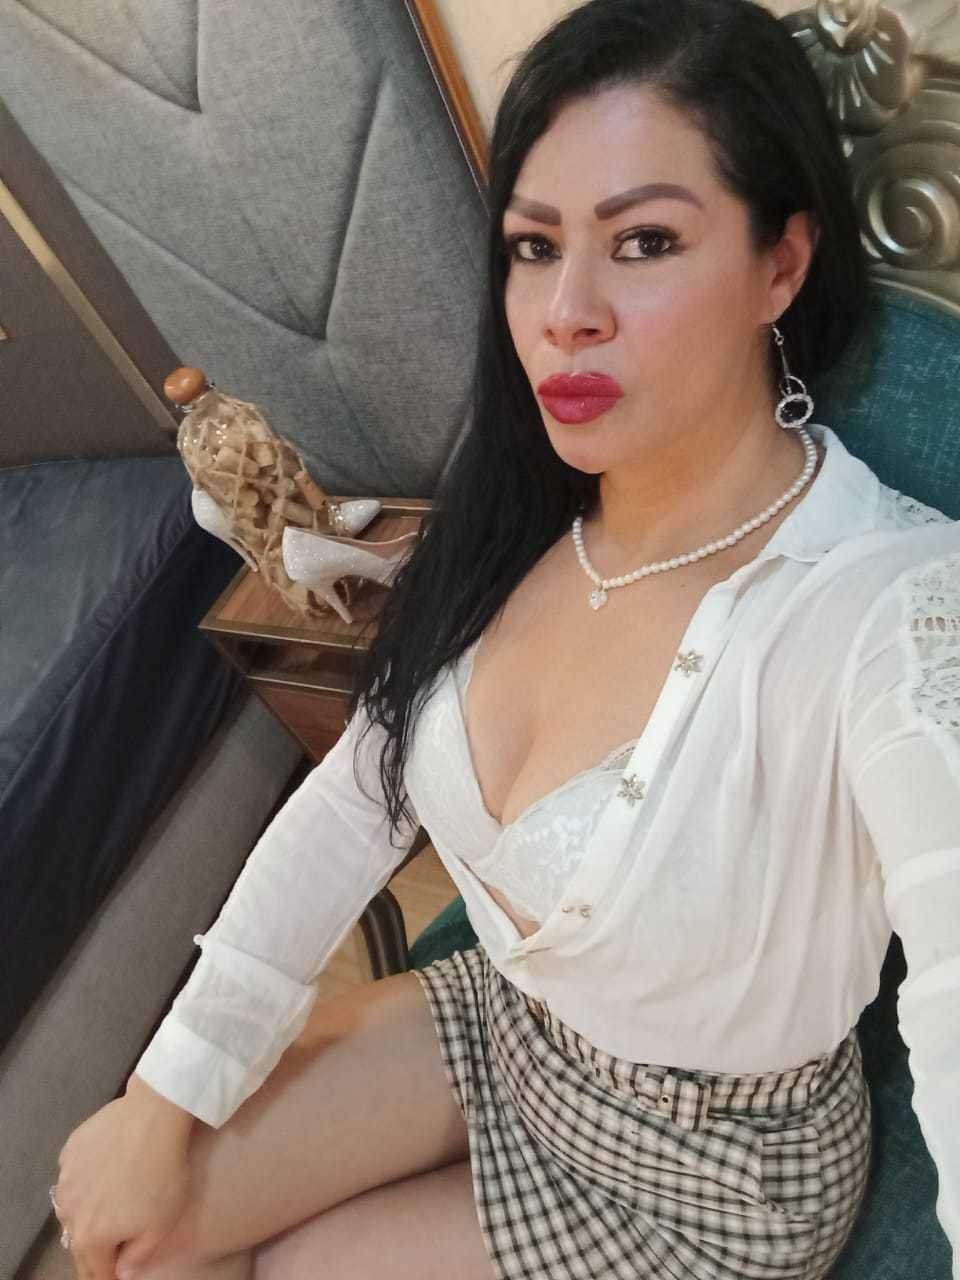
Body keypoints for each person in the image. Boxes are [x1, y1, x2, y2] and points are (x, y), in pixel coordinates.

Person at [51, 0, 960, 1277]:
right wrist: (163, 1089)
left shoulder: (889, 603)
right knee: (132, 1227)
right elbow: (356, 796)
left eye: (645, 241)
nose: (564, 311)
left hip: (710, 1172)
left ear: (780, 266)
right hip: (509, 1019)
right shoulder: (517, 510)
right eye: (535, 247)